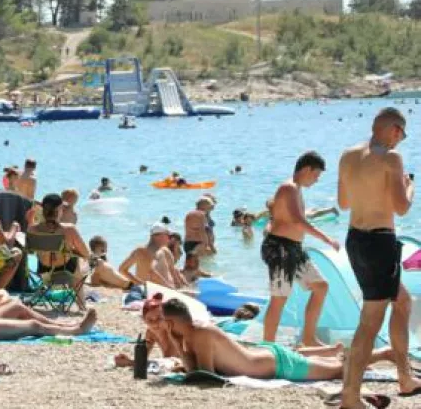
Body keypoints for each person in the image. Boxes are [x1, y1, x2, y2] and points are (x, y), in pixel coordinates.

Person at [161, 298, 397, 403]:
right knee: (332, 366)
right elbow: (197, 372)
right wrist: (176, 342)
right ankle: (359, 354)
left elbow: (205, 374)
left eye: (164, 322)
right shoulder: (189, 336)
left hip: (278, 363)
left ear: (172, 321)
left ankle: (383, 353)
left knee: (337, 371)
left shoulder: (201, 334)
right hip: (265, 357)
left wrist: (180, 351)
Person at [339, 107, 421, 406]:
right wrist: (409, 188)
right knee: (370, 320)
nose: (400, 141)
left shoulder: (348, 154)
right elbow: (401, 207)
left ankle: (405, 376)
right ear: (395, 129)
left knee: (403, 302)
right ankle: (350, 395)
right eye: (402, 134)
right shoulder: (392, 157)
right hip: (380, 241)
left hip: (355, 239)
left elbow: (344, 201)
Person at [261, 151, 337, 347]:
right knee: (279, 298)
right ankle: (268, 345)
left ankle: (309, 338)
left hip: (293, 247)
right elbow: (297, 220)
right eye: (316, 174)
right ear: (306, 169)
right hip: (280, 247)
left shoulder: (296, 189)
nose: (317, 180)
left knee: (320, 286)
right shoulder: (289, 188)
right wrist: (326, 239)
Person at [29, 193, 91, 310]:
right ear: (59, 210)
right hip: (66, 275)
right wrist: (71, 251)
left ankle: (42, 291)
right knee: (80, 261)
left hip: (43, 274)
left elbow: (30, 251)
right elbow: (86, 253)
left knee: (73, 260)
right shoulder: (69, 229)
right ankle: (82, 304)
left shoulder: (33, 229)